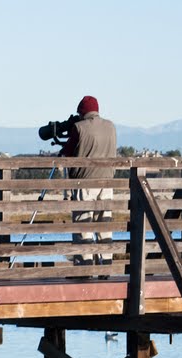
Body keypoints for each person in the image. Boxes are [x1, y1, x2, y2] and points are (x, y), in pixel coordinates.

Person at [60, 95, 117, 268]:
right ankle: (106, 266)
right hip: (108, 183)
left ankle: (84, 269)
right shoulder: (111, 126)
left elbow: (67, 153)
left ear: (81, 112)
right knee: (105, 227)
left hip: (85, 183)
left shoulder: (79, 128)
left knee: (83, 228)